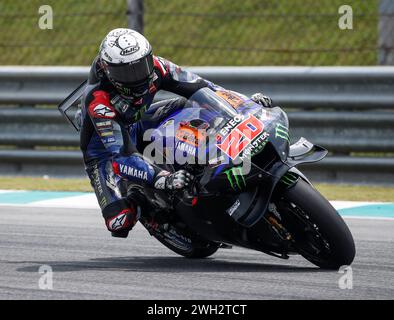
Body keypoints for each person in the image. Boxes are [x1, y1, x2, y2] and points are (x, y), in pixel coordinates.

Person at [80, 28, 273, 238]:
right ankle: (140, 198)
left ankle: (206, 160)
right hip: (106, 153)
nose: (138, 76)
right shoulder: (99, 102)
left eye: (141, 65)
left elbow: (205, 88)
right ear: (108, 70)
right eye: (127, 72)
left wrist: (243, 103)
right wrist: (163, 179)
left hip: (139, 120)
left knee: (194, 105)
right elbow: (121, 156)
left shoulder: (157, 67)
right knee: (119, 221)